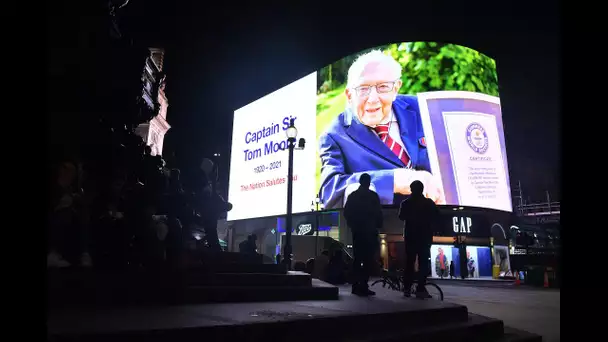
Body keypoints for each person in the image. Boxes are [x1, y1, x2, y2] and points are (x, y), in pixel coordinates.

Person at [318, 50, 445, 210]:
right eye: (363, 88)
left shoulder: (424, 108)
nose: (372, 99)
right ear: (349, 95)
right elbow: (330, 194)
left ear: (396, 88)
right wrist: (394, 180)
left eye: (383, 87)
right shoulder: (334, 136)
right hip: (392, 229)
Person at [398, 180, 439, 298]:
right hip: (424, 237)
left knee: (409, 263)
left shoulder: (406, 203)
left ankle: (407, 288)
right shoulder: (428, 203)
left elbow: (401, 216)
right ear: (422, 189)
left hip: (411, 237)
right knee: (423, 263)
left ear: (412, 190)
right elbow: (437, 215)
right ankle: (421, 288)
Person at [343, 173, 382, 296]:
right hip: (368, 231)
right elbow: (378, 213)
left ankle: (356, 286)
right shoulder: (372, 196)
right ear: (368, 182)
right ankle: (363, 285)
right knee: (367, 260)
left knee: (358, 259)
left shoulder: (354, 196)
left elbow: (347, 212)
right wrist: (377, 225)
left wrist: (352, 225)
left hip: (359, 231)